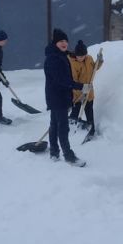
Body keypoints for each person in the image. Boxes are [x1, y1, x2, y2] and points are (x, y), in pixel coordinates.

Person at [44, 28, 86, 163]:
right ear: (55, 43)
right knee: (62, 127)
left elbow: (68, 55)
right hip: (58, 97)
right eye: (61, 41)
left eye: (66, 41)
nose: (64, 44)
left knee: (54, 125)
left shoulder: (59, 55)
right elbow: (61, 80)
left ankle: (54, 153)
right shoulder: (53, 59)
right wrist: (81, 86)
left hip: (57, 96)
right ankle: (68, 156)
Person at [68, 40, 103, 137]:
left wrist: (99, 61)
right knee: (75, 113)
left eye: (83, 56)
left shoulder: (89, 59)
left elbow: (94, 69)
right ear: (75, 54)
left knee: (89, 111)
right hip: (77, 94)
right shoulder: (72, 64)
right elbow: (73, 81)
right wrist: (81, 92)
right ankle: (69, 131)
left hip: (89, 93)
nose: (81, 58)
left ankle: (91, 132)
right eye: (79, 56)